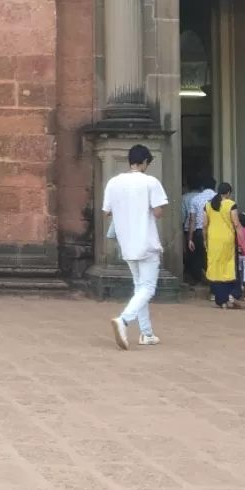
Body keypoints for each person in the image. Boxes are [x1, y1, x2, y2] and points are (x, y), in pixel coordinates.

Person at [103, 144, 168, 350]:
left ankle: (147, 333)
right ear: (145, 162)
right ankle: (124, 320)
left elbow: (107, 212)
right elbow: (158, 212)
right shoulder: (151, 182)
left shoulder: (114, 183)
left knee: (140, 287)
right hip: (146, 241)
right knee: (148, 288)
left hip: (127, 243)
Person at [204, 183, 240, 310]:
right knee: (230, 267)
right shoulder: (231, 204)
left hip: (213, 240)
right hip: (227, 240)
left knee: (215, 268)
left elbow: (204, 225)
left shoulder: (208, 205)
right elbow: (236, 223)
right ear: (229, 192)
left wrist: (205, 240)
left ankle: (221, 300)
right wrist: (243, 241)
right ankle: (232, 294)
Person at [185, 176, 215, 286]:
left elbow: (192, 220)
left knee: (198, 256)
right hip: (214, 232)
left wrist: (190, 239)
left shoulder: (196, 199)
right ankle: (213, 281)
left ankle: (199, 280)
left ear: (202, 187)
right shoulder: (219, 198)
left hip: (198, 231)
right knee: (213, 256)